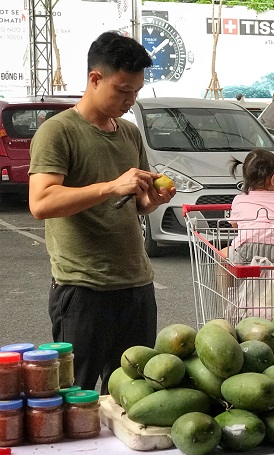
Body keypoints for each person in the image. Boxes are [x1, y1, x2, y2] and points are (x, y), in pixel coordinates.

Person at [27, 31, 176, 392]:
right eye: (123, 90)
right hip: (83, 289)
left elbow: (135, 202)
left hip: (137, 285)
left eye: (136, 92)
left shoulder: (128, 133)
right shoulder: (57, 132)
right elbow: (41, 203)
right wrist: (111, 186)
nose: (130, 100)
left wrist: (151, 201)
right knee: (74, 394)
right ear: (95, 79)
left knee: (134, 393)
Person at [226, 149, 274, 264]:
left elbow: (235, 225)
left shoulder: (239, 200)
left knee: (223, 256)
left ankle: (229, 282)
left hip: (247, 250)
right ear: (273, 180)